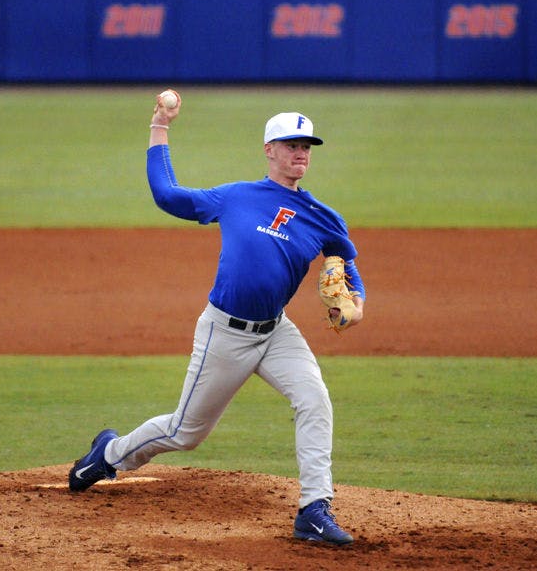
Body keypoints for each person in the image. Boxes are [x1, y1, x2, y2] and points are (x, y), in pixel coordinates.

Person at [68, 91, 366, 546]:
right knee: (184, 433)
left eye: (306, 146)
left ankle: (313, 510)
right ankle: (108, 454)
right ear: (270, 150)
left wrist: (357, 303)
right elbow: (167, 196)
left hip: (277, 332)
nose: (300, 153)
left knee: (314, 399)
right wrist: (160, 126)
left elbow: (346, 262)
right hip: (224, 333)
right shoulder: (236, 197)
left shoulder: (324, 217)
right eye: (291, 145)